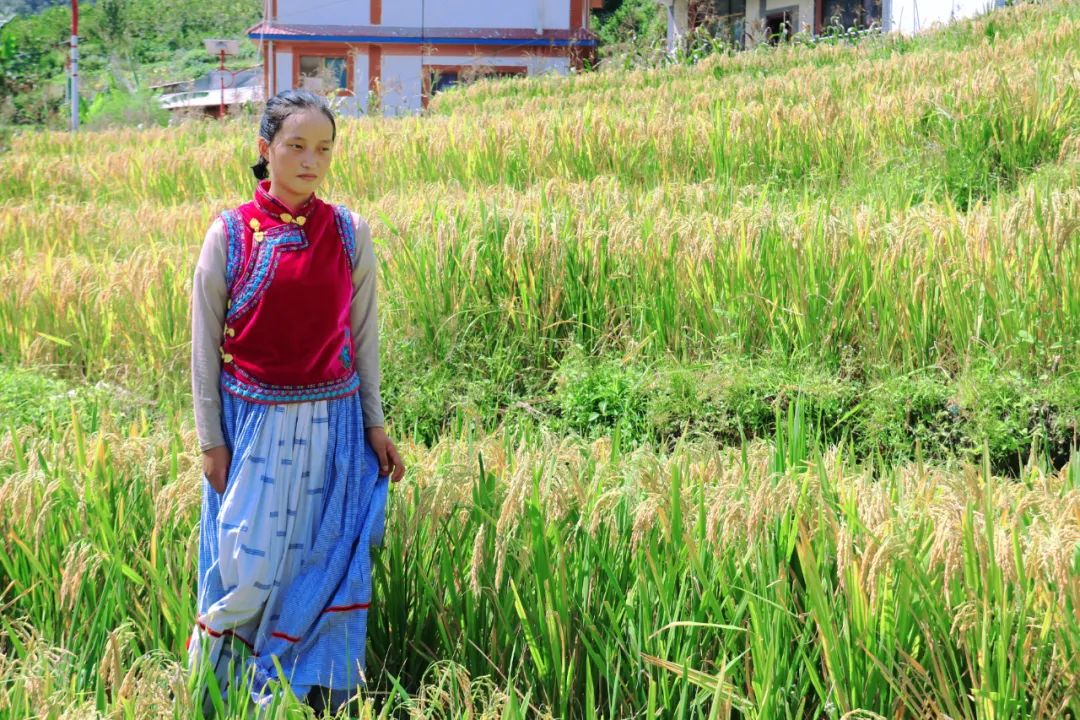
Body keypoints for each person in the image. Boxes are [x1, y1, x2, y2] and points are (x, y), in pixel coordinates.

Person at [187, 88, 406, 715]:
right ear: (266, 150)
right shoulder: (229, 234)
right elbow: (204, 348)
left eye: (324, 149)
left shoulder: (349, 231)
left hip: (334, 428)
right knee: (247, 571)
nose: (311, 161)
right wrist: (211, 439)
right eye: (296, 146)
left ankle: (307, 692)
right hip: (253, 430)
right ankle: (227, 696)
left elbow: (362, 335)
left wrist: (374, 421)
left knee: (323, 560)